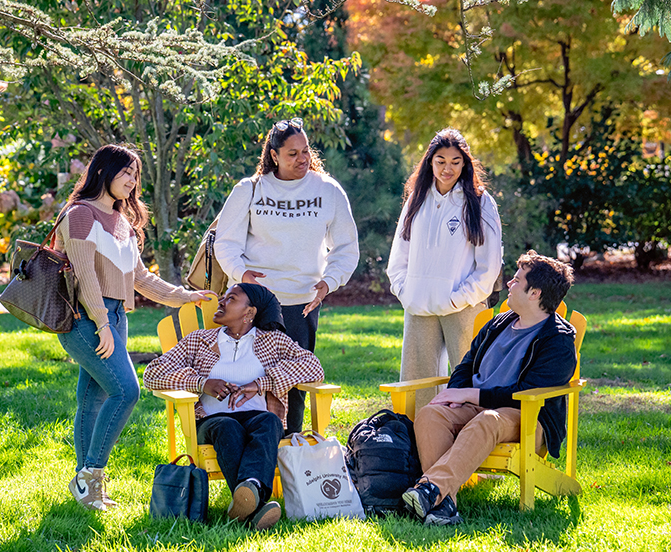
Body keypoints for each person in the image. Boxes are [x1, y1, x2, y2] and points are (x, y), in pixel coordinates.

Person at [53, 144, 211, 511]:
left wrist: (184, 296)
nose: (132, 181)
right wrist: (102, 323)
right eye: (126, 172)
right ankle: (91, 473)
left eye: (136, 175)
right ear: (103, 172)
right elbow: (86, 276)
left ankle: (86, 486)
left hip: (114, 317)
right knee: (127, 391)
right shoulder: (79, 215)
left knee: (93, 399)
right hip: (84, 318)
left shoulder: (121, 221)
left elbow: (140, 277)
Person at [401, 251, 576, 526]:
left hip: (526, 418)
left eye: (517, 281)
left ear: (535, 293)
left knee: (488, 419)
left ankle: (430, 489)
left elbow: (525, 394)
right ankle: (442, 505)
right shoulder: (497, 324)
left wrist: (470, 394)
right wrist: (455, 394)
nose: (509, 284)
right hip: (475, 407)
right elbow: (465, 366)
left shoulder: (558, 341)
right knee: (430, 414)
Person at [214, 117, 358, 433]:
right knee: (248, 379)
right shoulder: (249, 190)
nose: (302, 159)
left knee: (293, 385)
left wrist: (328, 283)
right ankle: (251, 449)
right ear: (274, 155)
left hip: (301, 305)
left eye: (305, 151)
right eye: (292, 153)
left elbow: (347, 247)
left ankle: (289, 450)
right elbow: (225, 244)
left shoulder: (327, 190)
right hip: (256, 306)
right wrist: (243, 275)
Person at [143, 283, 323, 530]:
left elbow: (313, 367)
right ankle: (256, 501)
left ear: (249, 313)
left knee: (270, 421)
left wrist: (261, 383)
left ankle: (249, 498)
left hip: (257, 417)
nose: (221, 302)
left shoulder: (273, 341)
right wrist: (202, 383)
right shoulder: (199, 340)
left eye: (231, 299)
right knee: (228, 426)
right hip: (212, 421)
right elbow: (153, 373)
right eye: (223, 297)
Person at [386, 128, 502, 409]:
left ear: (465, 163)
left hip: (464, 306)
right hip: (418, 305)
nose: (447, 168)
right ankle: (414, 445)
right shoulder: (417, 199)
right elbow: (399, 255)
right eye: (440, 161)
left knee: (470, 381)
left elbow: (490, 265)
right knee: (415, 385)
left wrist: (457, 298)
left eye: (455, 161)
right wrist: (406, 291)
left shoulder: (480, 202)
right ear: (430, 161)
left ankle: (467, 443)